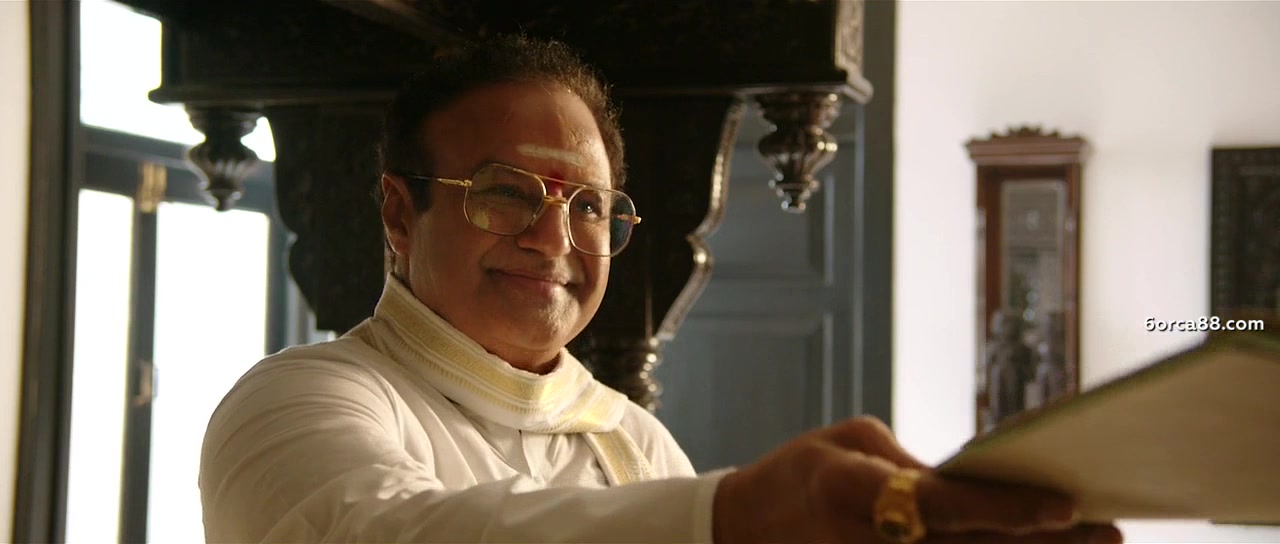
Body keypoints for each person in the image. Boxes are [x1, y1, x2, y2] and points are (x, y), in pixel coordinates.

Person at [198, 34, 1124, 544]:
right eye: (506, 193)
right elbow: (376, 534)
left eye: (589, 207)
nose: (555, 239)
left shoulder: (634, 442)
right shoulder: (301, 399)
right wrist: (735, 517)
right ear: (401, 215)